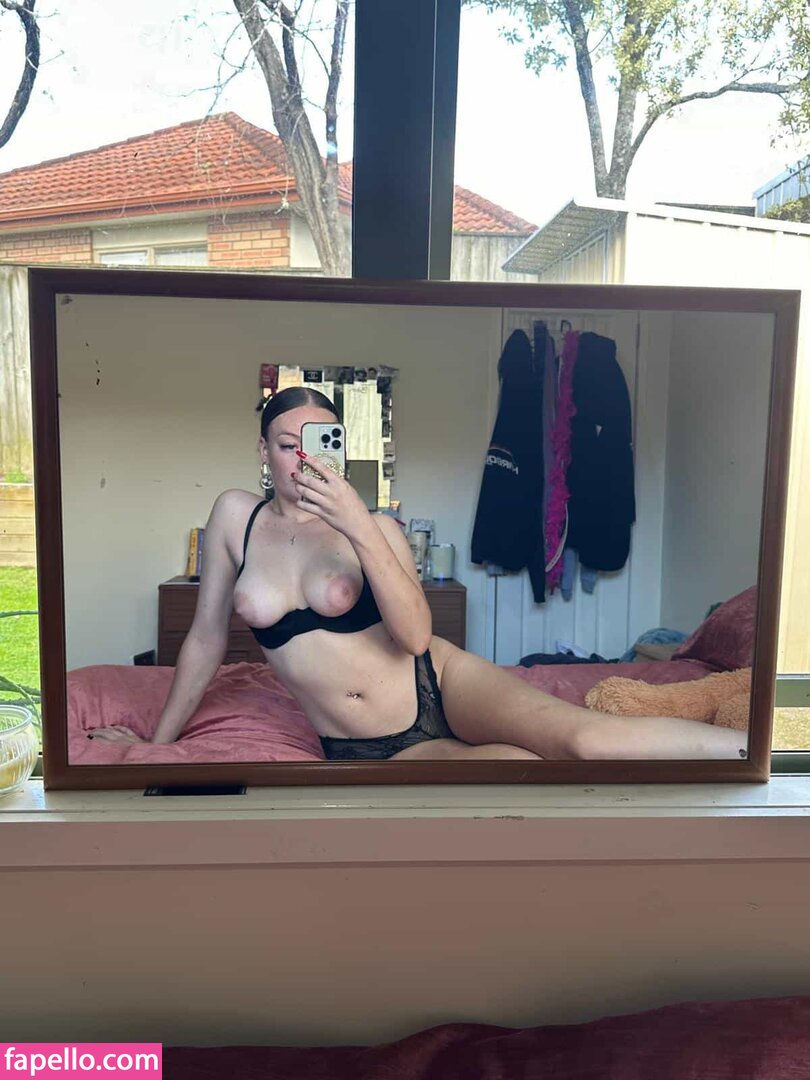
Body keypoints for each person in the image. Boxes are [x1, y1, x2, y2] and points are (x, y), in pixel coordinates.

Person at [91, 387, 747, 761]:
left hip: (441, 680)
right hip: (370, 744)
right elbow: (206, 637)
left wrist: (356, 522)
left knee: (586, 744)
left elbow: (412, 636)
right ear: (263, 450)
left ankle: (764, 752)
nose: (302, 461)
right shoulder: (235, 515)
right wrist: (156, 744)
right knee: (524, 774)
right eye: (288, 445)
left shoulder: (374, 524)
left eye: (320, 445)